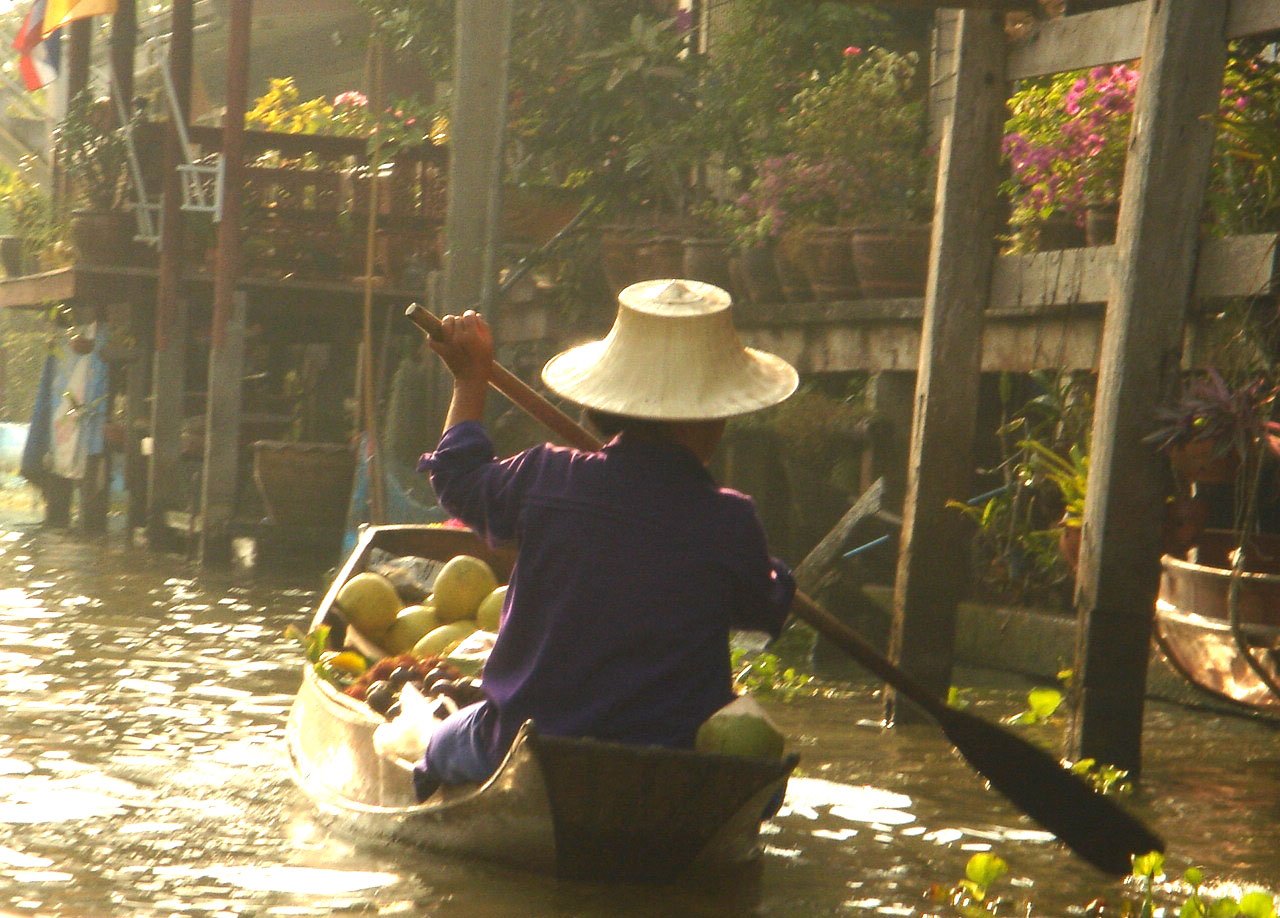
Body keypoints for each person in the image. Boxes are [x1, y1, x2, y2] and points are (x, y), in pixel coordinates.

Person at [413, 279, 799, 799]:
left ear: (607, 407)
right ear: (714, 421)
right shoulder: (729, 521)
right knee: (763, 785)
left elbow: (457, 476)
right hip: (669, 760)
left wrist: (469, 380)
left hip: (529, 740)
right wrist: (772, 573)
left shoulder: (546, 478)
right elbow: (763, 612)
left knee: (437, 744)